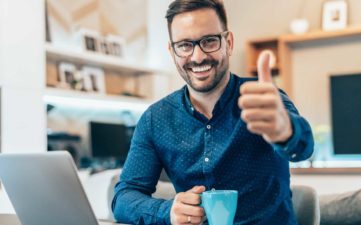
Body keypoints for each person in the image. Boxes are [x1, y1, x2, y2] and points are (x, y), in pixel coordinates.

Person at [112, 0, 314, 224]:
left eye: (209, 41)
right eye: (185, 45)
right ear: (172, 51)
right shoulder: (155, 119)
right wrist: (167, 211)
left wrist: (286, 130)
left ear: (228, 42)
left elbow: (304, 148)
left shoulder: (264, 99)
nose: (198, 57)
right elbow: (123, 198)